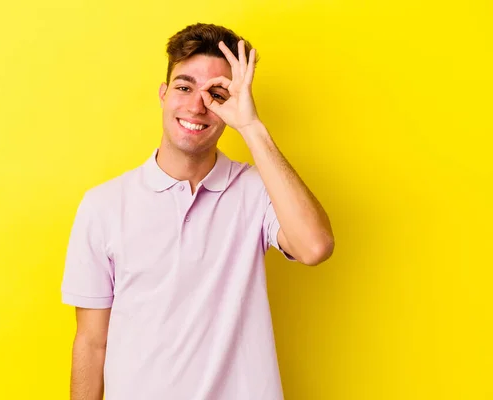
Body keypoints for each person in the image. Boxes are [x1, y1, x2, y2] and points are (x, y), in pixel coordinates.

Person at [61, 22, 334, 400]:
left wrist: (252, 126)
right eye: (184, 87)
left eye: (216, 94)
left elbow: (315, 247)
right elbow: (91, 344)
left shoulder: (257, 190)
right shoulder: (103, 205)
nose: (195, 106)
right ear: (163, 93)